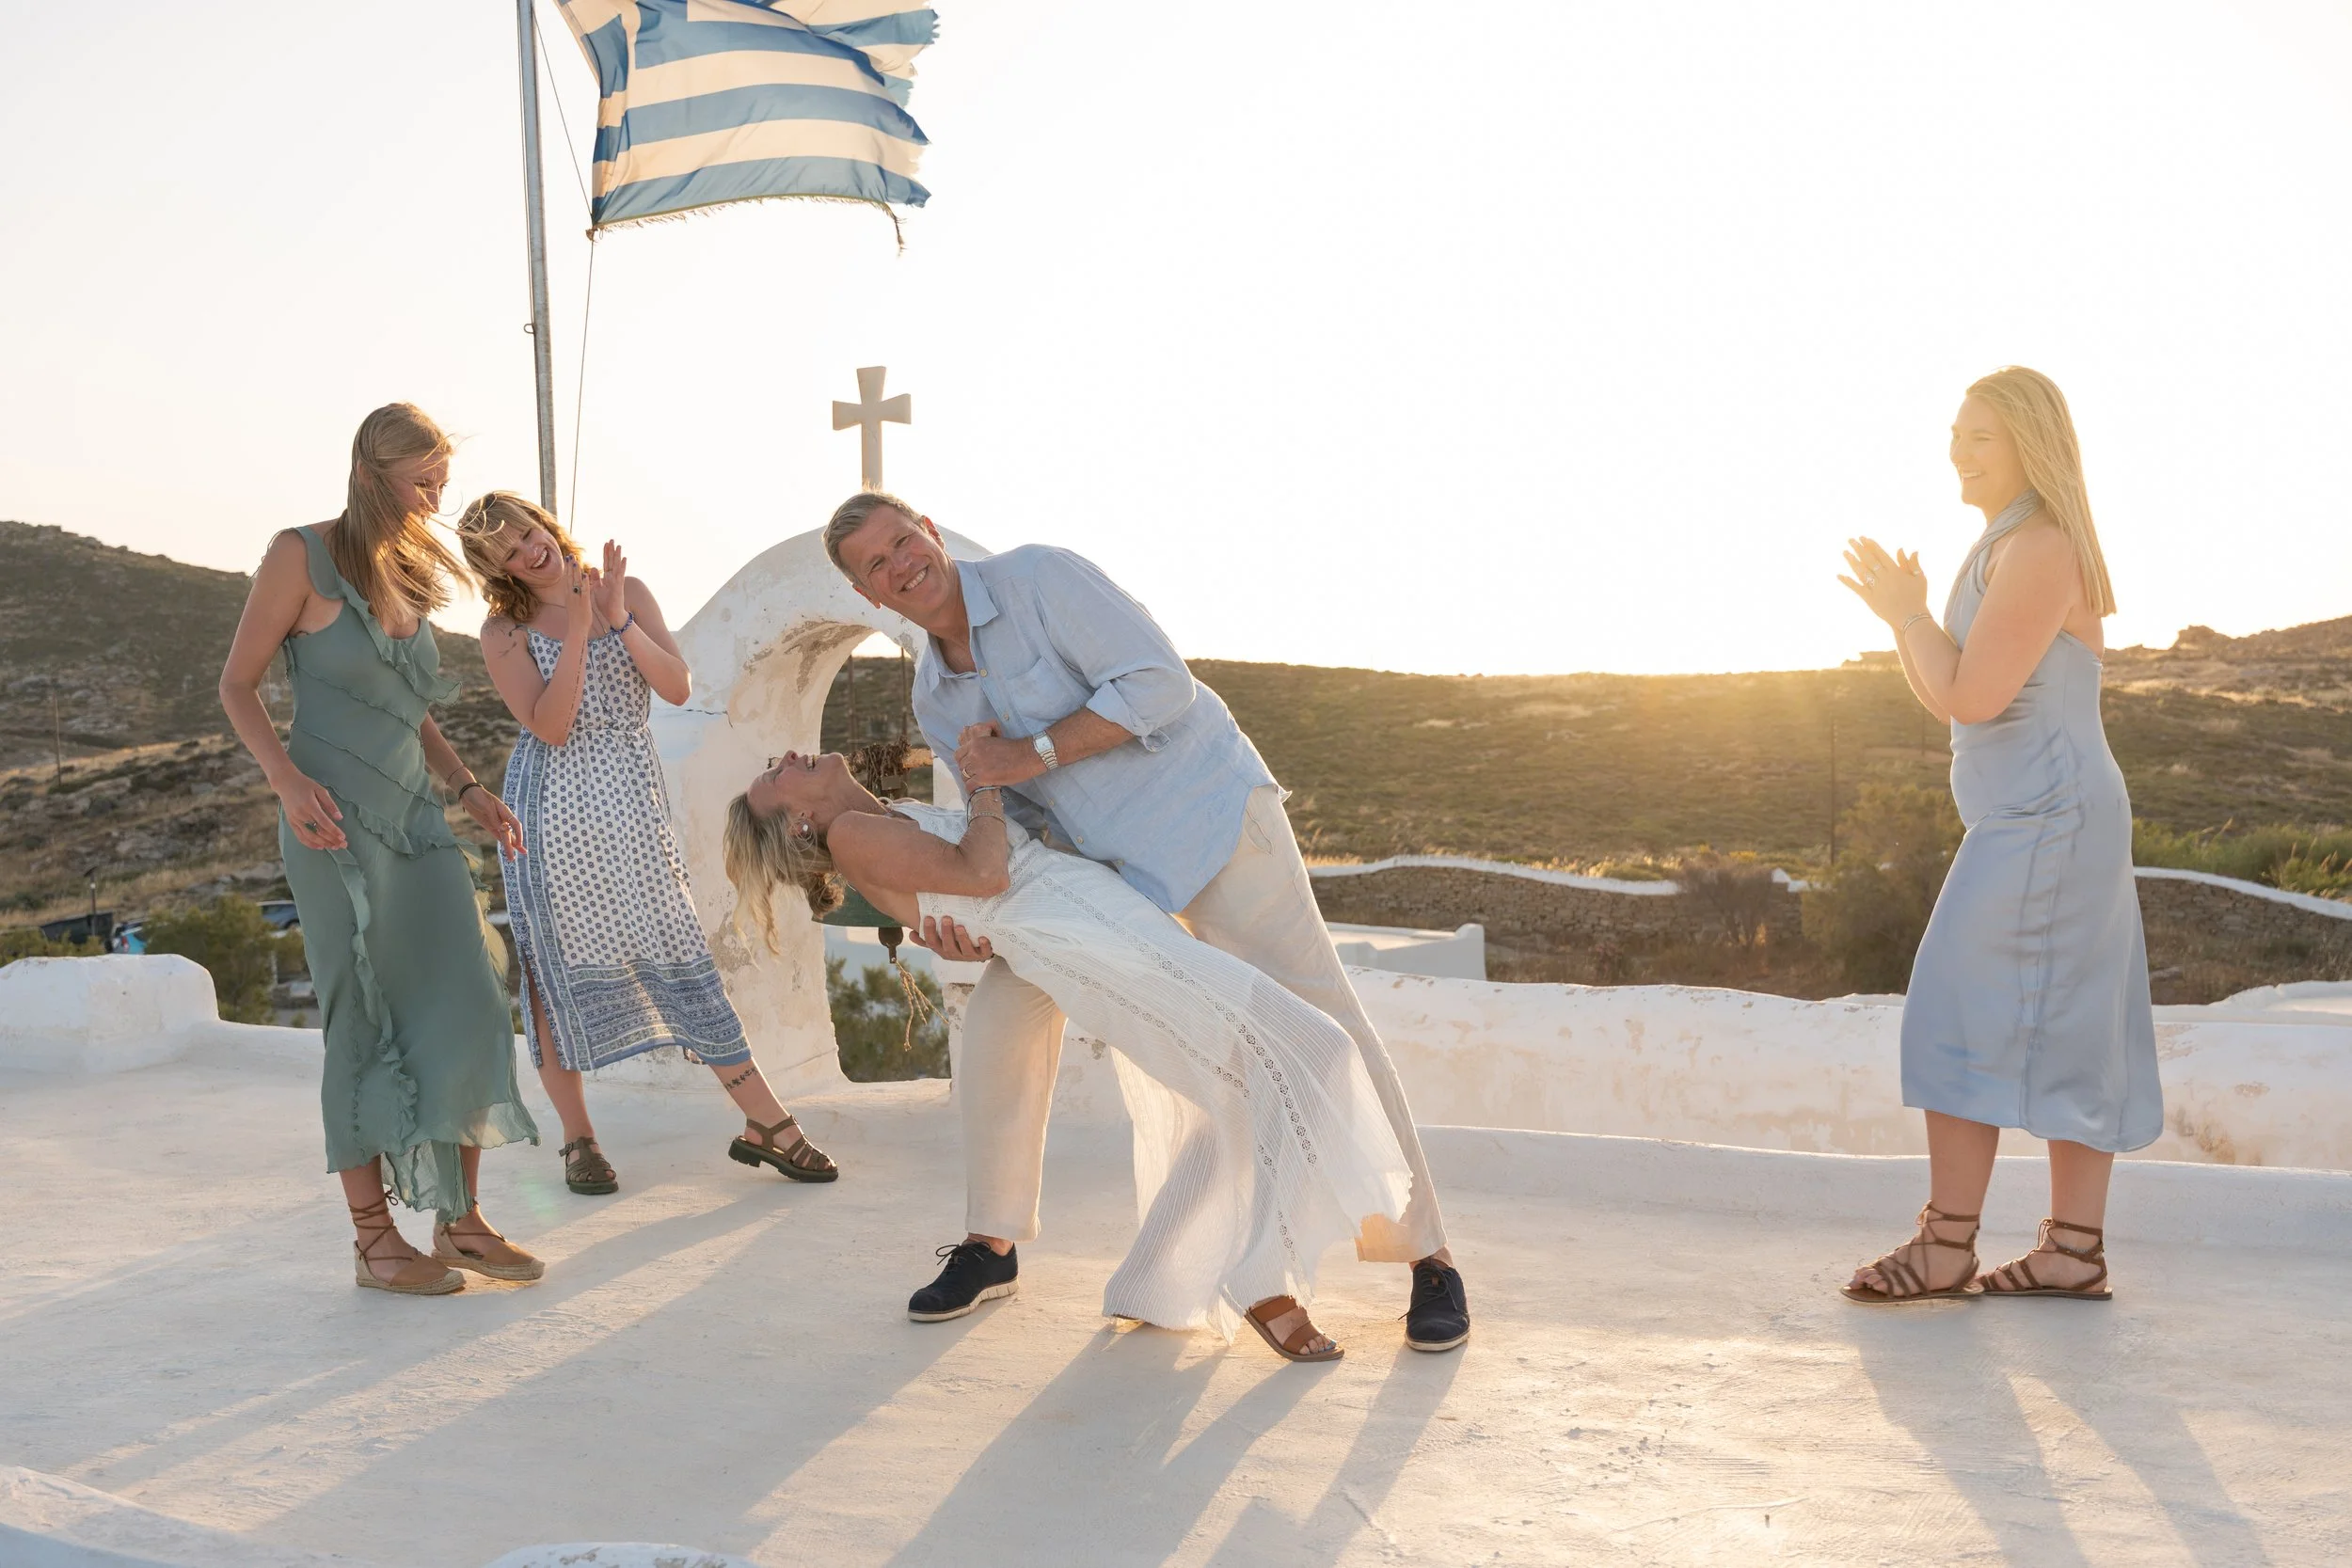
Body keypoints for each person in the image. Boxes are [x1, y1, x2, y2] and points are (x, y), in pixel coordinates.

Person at [818, 494, 1472, 1354]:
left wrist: (1033, 750)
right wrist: (967, 918)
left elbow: (1162, 682)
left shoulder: (1040, 578)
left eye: (904, 540)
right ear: (871, 596)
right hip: (1107, 875)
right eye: (878, 564)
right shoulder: (935, 696)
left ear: (931, 533)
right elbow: (1006, 819)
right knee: (1000, 1016)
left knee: (1322, 1019)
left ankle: (1427, 1256)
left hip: (1208, 822)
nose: (902, 563)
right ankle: (993, 1241)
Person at [724, 751, 1412, 1359]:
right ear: (796, 825)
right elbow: (987, 873)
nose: (786, 756)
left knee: (1240, 1088)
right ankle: (1266, 1284)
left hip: (1102, 919)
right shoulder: (852, 835)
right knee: (1317, 1049)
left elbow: (963, 894)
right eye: (772, 776)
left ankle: (1163, 1276)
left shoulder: (887, 816)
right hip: (1095, 944)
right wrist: (986, 785)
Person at [1836, 365, 2160, 1304]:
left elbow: (1968, 695)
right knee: (2067, 1021)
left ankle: (1947, 1245)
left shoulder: (2042, 543)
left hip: (2050, 816)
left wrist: (1904, 613)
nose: (1957, 451)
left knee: (1954, 1003)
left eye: (1978, 435)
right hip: (2038, 813)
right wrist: (1909, 617)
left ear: (2028, 441)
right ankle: (2071, 1250)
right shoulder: (2005, 542)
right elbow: (1958, 693)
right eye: (1955, 433)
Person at [217, 404, 544, 1296]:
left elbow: (411, 706)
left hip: (415, 817)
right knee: (361, 1016)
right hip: (330, 821)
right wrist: (284, 781)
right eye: (423, 479)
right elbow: (237, 684)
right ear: (372, 472)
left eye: (442, 476)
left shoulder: (405, 563)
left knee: (473, 1001)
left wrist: (470, 787)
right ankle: (374, 1241)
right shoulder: (301, 554)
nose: (437, 496)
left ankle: (461, 1223)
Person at [457, 492, 834, 1191]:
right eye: (507, 550)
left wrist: (615, 617)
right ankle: (580, 1141)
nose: (528, 549)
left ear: (545, 523)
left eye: (528, 531)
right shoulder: (501, 632)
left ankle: (766, 1123)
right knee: (553, 969)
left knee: (679, 951)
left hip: (632, 803)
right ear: (493, 567)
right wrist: (574, 628)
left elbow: (677, 685)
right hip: (552, 814)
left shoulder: (624, 592)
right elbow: (551, 725)